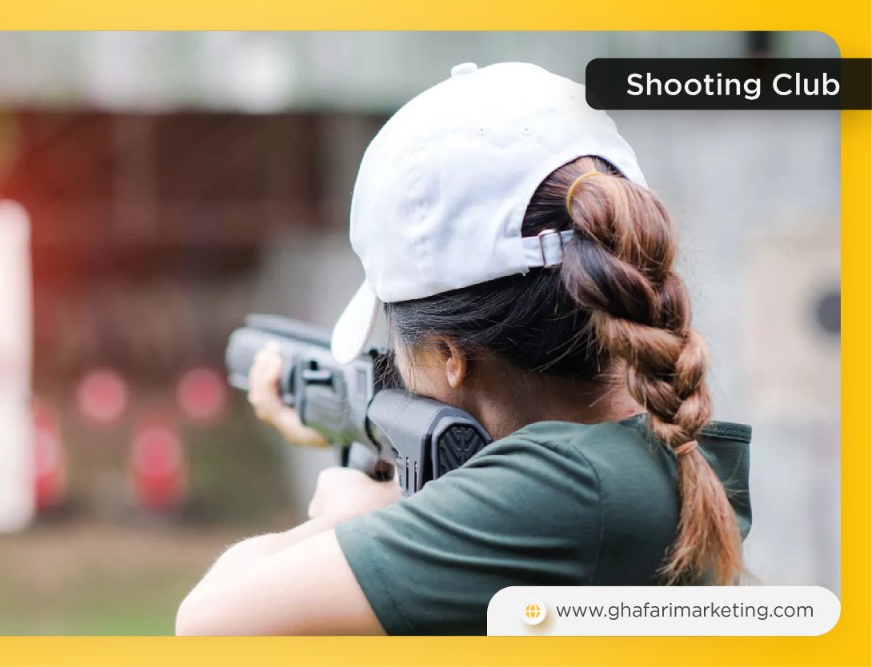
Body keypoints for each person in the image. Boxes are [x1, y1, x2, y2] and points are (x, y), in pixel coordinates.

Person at [176, 62, 752, 636]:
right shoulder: (645, 462)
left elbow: (207, 623)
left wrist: (355, 515)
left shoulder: (567, 489)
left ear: (451, 355)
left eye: (397, 350)